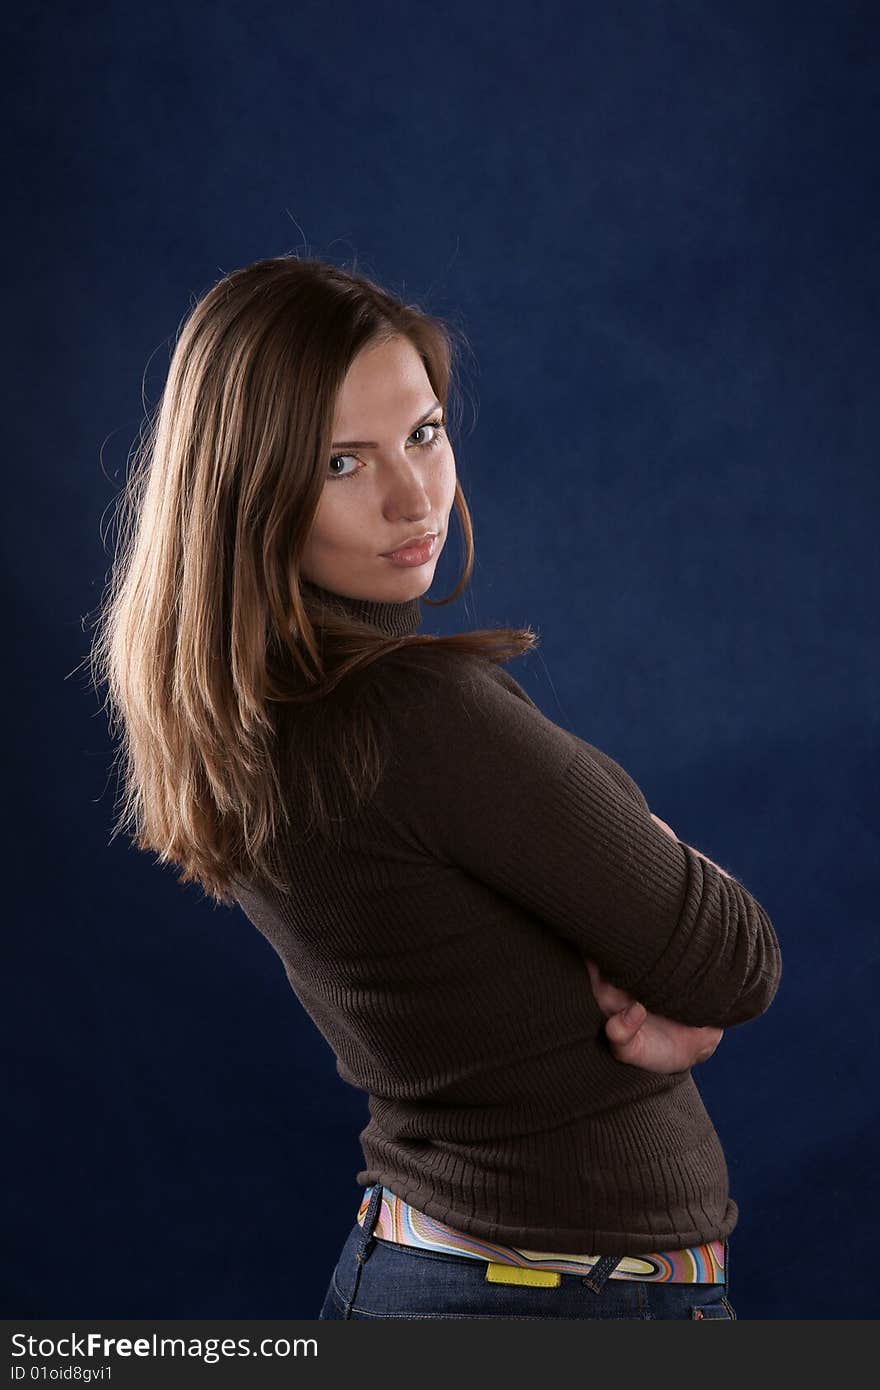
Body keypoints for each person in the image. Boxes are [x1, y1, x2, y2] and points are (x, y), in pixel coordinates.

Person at [89, 253, 782, 1321]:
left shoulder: (263, 721)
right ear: (247, 491)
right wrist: (660, 916)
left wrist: (658, 936)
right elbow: (734, 956)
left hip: (443, 1279)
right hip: (547, 1306)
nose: (413, 493)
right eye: (340, 462)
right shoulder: (411, 719)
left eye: (423, 433)